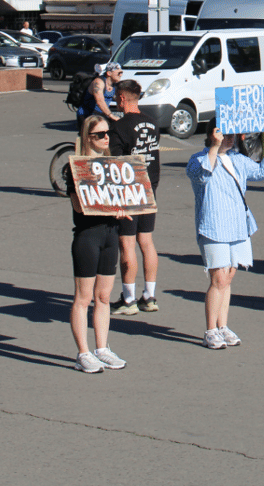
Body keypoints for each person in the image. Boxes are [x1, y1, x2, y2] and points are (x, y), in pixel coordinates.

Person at [187, 122, 264, 349]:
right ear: (213, 134)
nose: (230, 138)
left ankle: (223, 326)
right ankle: (210, 330)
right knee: (218, 279)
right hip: (213, 226)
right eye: (224, 134)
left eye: (232, 134)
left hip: (238, 225)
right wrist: (214, 147)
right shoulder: (197, 159)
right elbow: (202, 175)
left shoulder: (237, 159)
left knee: (228, 278)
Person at [67, 115, 129, 372]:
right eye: (100, 134)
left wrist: (122, 207)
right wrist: (109, 208)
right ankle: (83, 353)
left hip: (110, 234)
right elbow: (78, 206)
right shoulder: (76, 168)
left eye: (108, 133)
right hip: (88, 236)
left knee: (103, 297)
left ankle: (102, 348)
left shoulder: (113, 166)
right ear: (88, 138)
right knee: (83, 298)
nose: (106, 138)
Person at [108, 80, 162, 315]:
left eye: (116, 97)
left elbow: (114, 164)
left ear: (122, 99)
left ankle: (128, 299)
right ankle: (149, 296)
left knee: (127, 243)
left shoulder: (119, 127)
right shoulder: (152, 122)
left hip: (129, 191)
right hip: (149, 187)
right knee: (146, 241)